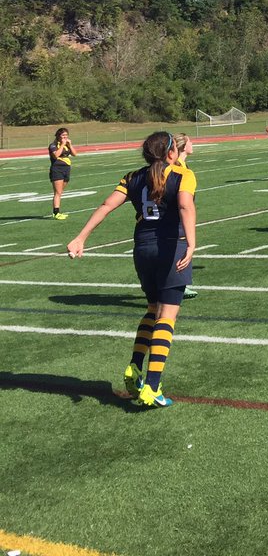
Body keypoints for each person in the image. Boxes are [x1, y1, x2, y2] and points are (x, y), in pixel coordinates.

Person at [66, 131, 197, 408]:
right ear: (172, 153)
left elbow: (107, 205)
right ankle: (152, 385)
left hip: (142, 248)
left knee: (152, 309)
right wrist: (192, 243)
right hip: (171, 247)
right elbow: (185, 205)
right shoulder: (183, 175)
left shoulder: (133, 177)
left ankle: (135, 367)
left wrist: (81, 237)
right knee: (167, 316)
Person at [174, 134, 198, 299]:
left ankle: (181, 284)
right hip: (176, 214)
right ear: (183, 146)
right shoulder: (178, 167)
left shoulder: (182, 164)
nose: (192, 144)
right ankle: (179, 285)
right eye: (190, 141)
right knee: (181, 247)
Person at [48, 126, 76, 220]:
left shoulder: (67, 144)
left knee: (60, 192)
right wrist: (63, 144)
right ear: (58, 136)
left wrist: (70, 145)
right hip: (57, 169)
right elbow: (56, 155)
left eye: (66, 135)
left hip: (66, 169)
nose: (65, 137)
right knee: (58, 192)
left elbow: (74, 154)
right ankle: (56, 212)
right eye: (63, 135)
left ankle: (57, 212)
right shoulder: (53, 145)